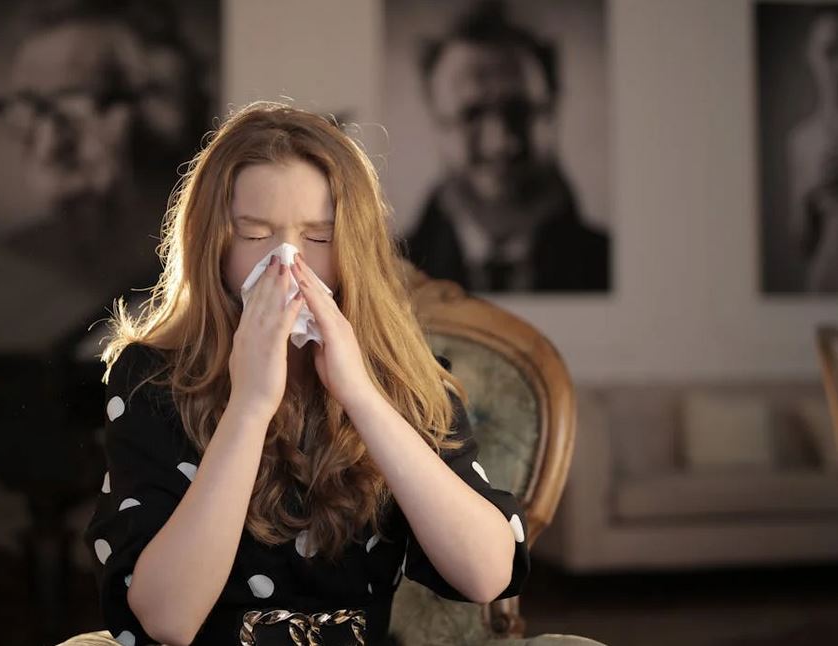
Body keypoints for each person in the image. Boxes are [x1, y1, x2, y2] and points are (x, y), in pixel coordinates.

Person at [82, 102, 530, 646]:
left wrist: (361, 396)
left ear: (353, 249)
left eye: (318, 238)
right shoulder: (151, 380)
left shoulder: (406, 380)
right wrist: (250, 406)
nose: (287, 262)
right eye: (255, 234)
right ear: (213, 245)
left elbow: (486, 575)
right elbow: (168, 620)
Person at [0, 0, 211, 295]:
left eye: (75, 107)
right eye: (30, 109)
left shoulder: (211, 267)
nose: (47, 145)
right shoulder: (14, 272)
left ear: (165, 113)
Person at [404, 0, 611, 293]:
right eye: (471, 114)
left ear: (553, 111)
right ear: (434, 119)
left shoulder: (606, 264)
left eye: (520, 111)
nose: (500, 142)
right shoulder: (386, 271)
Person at [786, 6, 838, 292]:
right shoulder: (801, 140)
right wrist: (810, 193)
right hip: (824, 283)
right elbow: (801, 244)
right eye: (829, 52)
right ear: (811, 56)